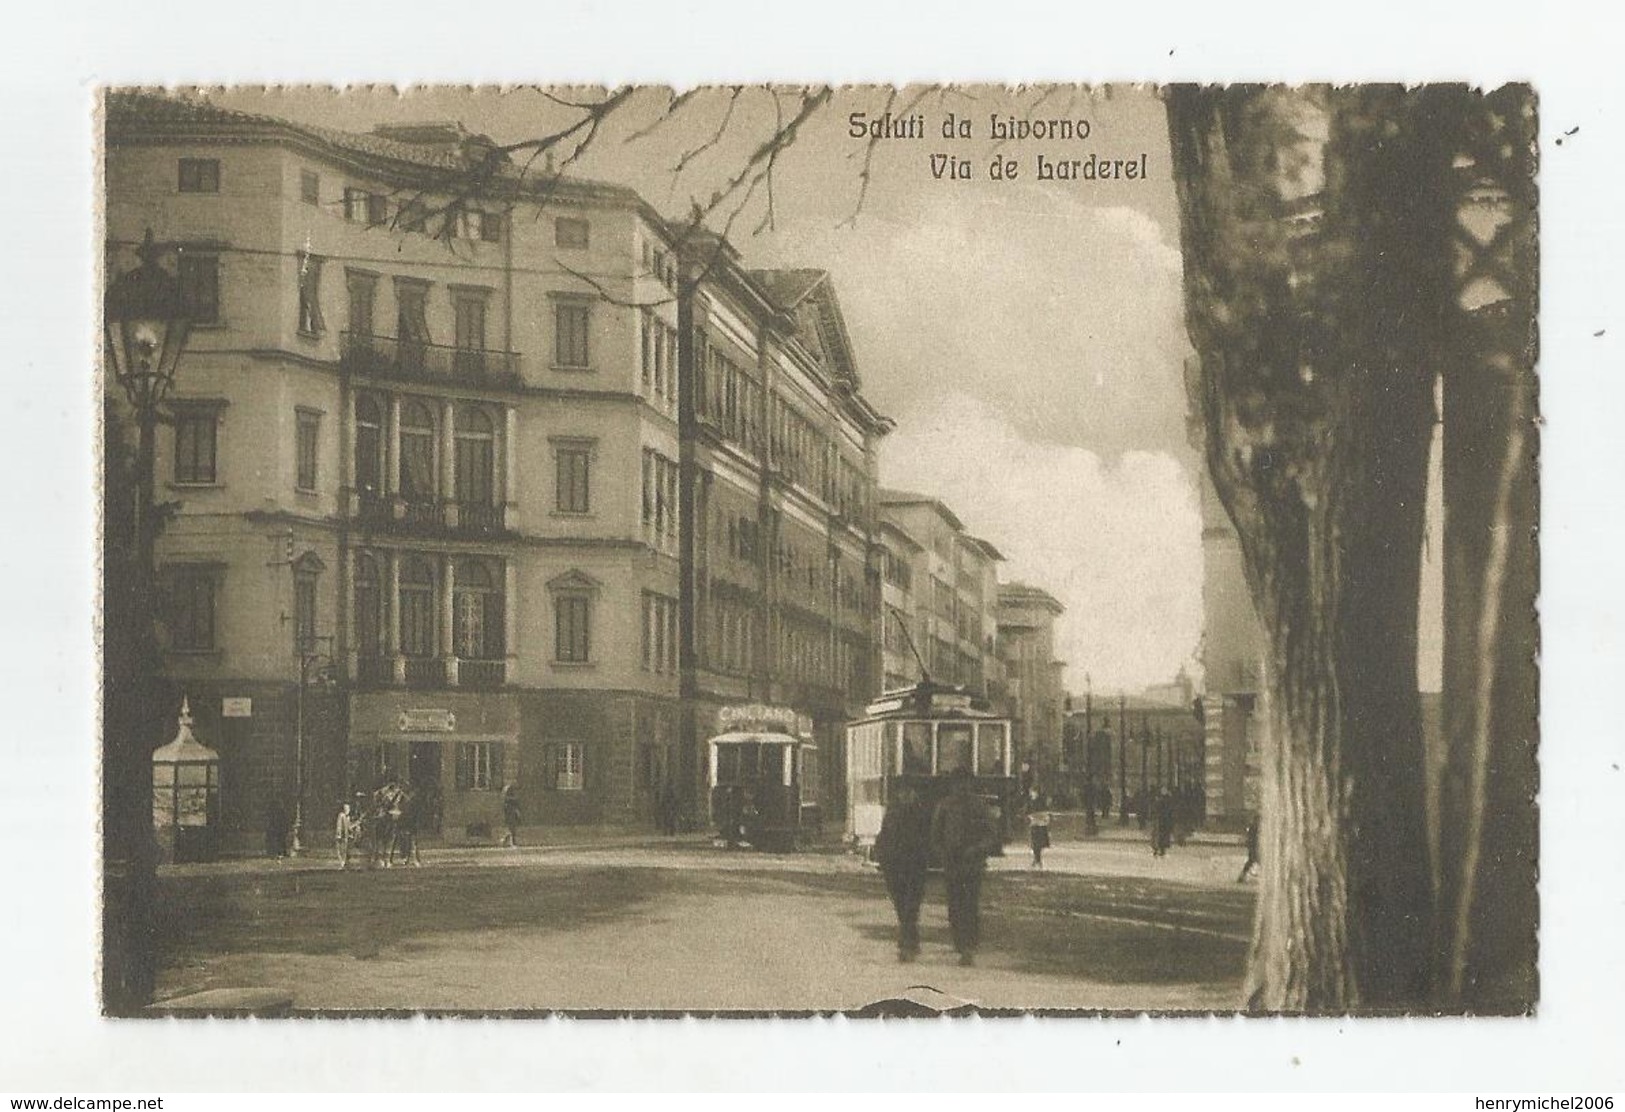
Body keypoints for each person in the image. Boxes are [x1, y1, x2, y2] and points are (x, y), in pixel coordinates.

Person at [930, 771, 1001, 967]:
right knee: (954, 905)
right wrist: (943, 854)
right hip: (952, 862)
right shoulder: (945, 806)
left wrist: (978, 849)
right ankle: (961, 943)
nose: (962, 788)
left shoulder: (979, 807)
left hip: (972, 862)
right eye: (958, 784)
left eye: (965, 784)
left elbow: (991, 834)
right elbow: (936, 835)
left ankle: (968, 946)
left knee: (969, 904)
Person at [873, 784, 933, 962]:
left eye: (909, 792)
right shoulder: (892, 815)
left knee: (911, 903)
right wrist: (882, 857)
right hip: (895, 864)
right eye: (903, 792)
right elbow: (883, 837)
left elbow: (928, 838)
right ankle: (909, 938)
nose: (906, 795)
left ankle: (907, 941)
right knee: (902, 903)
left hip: (913, 863)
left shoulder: (921, 815)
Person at [1237, 812, 1261, 883]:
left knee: (1251, 861)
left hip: (1253, 847)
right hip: (1253, 847)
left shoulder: (1253, 826)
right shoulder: (1254, 827)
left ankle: (1242, 876)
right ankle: (1241, 876)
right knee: (1255, 861)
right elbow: (1252, 837)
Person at [1151, 788, 1174, 857]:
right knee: (1163, 836)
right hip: (1164, 821)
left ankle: (1156, 850)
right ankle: (1162, 850)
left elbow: (1154, 811)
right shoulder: (1167, 801)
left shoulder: (1158, 801)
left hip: (1159, 820)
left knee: (1158, 835)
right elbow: (1170, 811)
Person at [1027, 804, 1051, 869]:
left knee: (1037, 844)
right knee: (1035, 844)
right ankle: (1037, 860)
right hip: (1036, 825)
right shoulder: (1030, 802)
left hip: (1039, 825)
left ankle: (1037, 860)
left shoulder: (1039, 802)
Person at [334, 802, 356, 869]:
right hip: (341, 835)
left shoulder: (347, 817)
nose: (347, 810)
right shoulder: (341, 815)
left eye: (348, 808)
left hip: (346, 836)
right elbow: (339, 825)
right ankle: (341, 862)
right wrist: (339, 835)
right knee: (340, 849)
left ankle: (344, 862)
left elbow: (349, 827)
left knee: (345, 849)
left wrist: (355, 824)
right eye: (345, 808)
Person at [501, 782, 521, 848]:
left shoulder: (507, 790)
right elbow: (509, 800)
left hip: (511, 812)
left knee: (511, 829)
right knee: (511, 829)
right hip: (510, 812)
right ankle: (512, 843)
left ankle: (504, 841)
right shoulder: (508, 790)